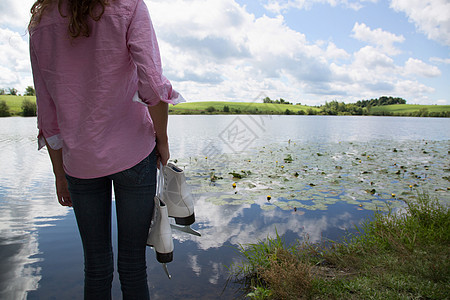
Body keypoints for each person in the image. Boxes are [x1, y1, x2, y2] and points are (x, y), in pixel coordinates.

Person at [28, 0, 184, 298]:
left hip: (78, 163)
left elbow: (47, 112)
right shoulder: (129, 5)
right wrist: (162, 140)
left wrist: (59, 174)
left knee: (96, 267)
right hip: (135, 154)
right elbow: (151, 83)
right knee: (133, 265)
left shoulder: (41, 21)